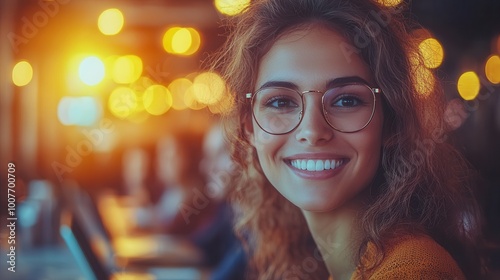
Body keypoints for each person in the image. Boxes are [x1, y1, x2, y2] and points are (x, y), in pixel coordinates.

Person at [211, 0, 486, 279]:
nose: (312, 130)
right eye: (281, 102)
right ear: (249, 127)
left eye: (346, 100)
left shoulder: (413, 271)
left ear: (391, 122)